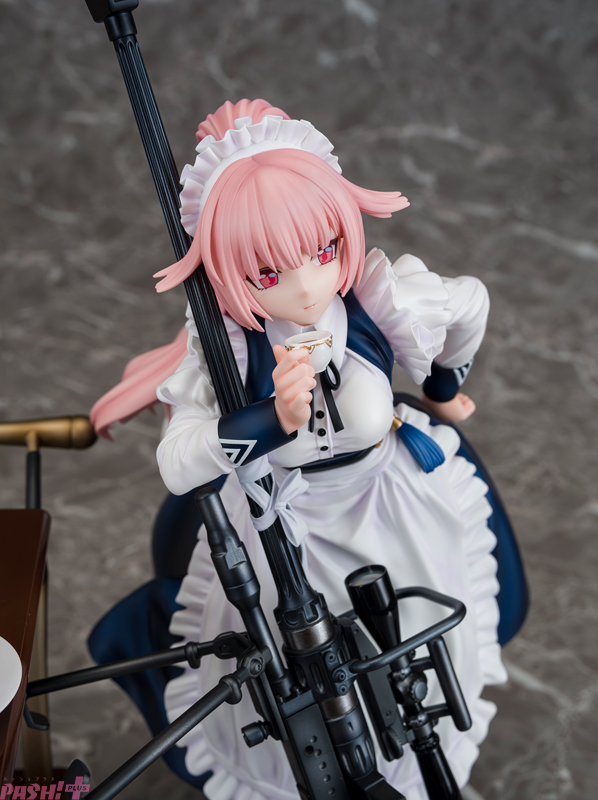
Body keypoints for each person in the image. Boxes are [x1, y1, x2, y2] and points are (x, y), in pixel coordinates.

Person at [91, 98, 508, 800]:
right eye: (267, 273)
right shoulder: (228, 350)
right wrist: (268, 421)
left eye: (322, 251)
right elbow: (178, 462)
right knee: (297, 706)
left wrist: (443, 386)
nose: (308, 285)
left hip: (388, 506)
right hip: (287, 532)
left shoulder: (381, 302)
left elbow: (471, 303)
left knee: (423, 670)